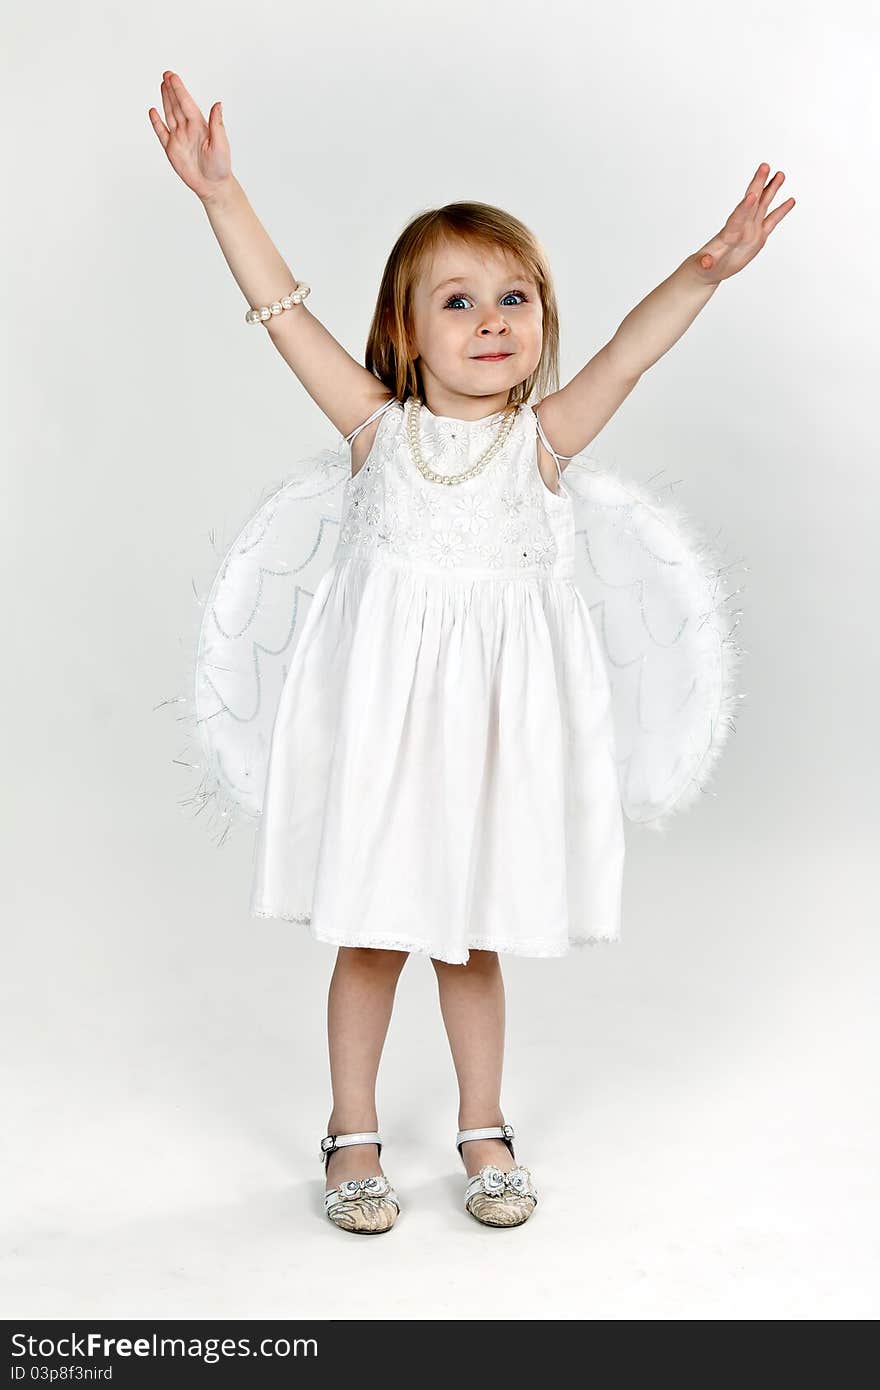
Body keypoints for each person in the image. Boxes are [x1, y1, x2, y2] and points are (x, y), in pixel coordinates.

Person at [149, 71, 794, 1235]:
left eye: (514, 298)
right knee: (374, 931)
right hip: (386, 730)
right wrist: (221, 196)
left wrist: (702, 272)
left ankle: (481, 1122)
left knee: (473, 938)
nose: (492, 322)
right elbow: (283, 311)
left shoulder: (541, 445)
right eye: (456, 302)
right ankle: (352, 1130)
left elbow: (627, 357)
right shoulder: (375, 432)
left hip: (490, 737)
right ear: (403, 332)